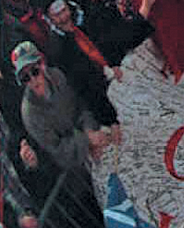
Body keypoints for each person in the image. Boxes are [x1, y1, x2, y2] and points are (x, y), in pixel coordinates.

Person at [13, 41, 118, 171]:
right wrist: (87, 141)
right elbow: (55, 149)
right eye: (25, 78)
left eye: (35, 72)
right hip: (74, 167)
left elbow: (80, 107)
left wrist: (89, 130)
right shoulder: (29, 113)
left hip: (93, 136)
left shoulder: (58, 76)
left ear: (42, 64)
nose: (33, 80)